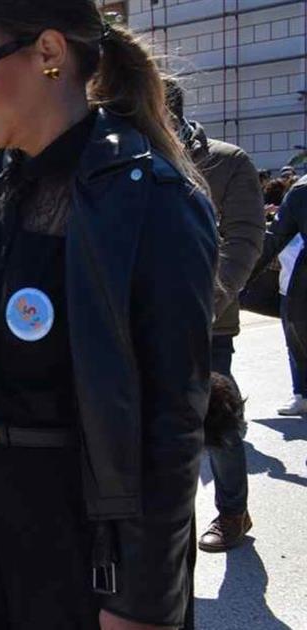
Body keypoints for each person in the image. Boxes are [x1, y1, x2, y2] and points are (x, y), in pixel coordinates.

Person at [0, 3, 218, 629]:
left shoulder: (151, 199)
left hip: (73, 537)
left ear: (50, 54)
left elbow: (171, 422)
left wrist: (144, 603)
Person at [165, 81, 267, 554]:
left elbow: (245, 240)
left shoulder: (227, 162)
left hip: (206, 321)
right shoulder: (126, 161)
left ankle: (232, 512)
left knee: (216, 420)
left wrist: (203, 303)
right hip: (141, 320)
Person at [255, 175, 307, 416]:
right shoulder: (300, 191)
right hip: (296, 289)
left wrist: (235, 278)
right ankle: (301, 394)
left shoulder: (300, 191)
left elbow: (272, 241)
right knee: (295, 342)